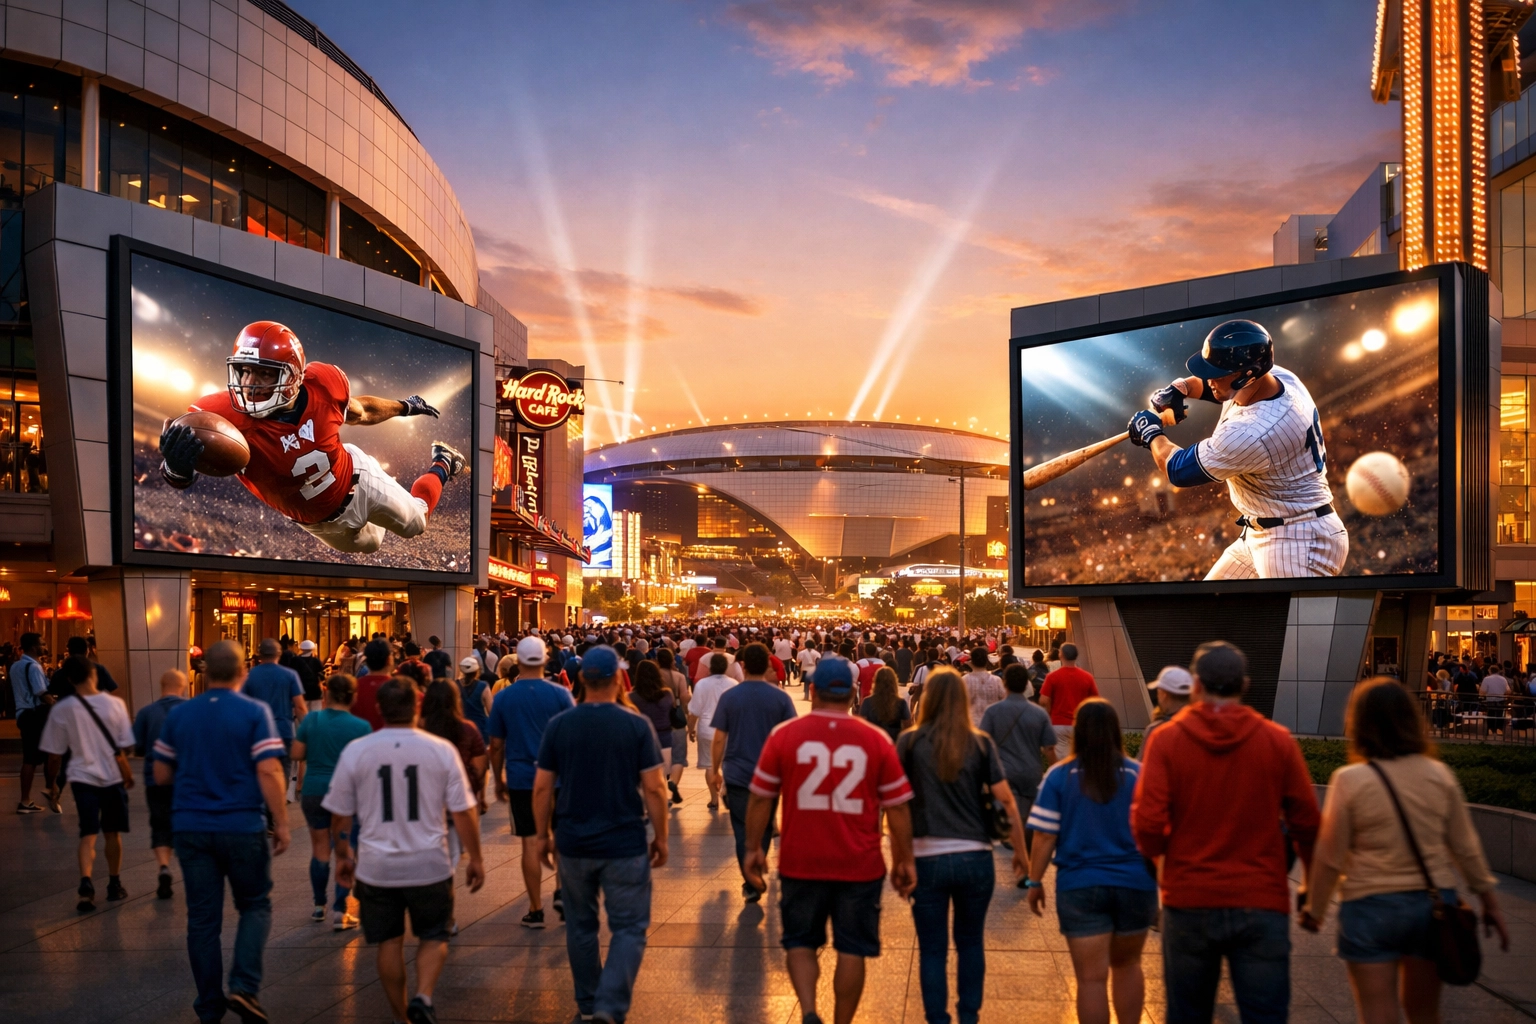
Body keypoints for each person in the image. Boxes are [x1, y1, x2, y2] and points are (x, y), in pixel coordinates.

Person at [1300, 678, 1510, 1024]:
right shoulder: (1439, 775)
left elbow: (1329, 854)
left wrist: (1315, 908)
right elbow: (1466, 848)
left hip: (1369, 906)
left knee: (1377, 1012)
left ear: (1359, 723)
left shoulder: (1350, 780)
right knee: (1423, 1012)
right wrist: (1490, 904)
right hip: (1430, 908)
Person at [1131, 640, 1320, 1024]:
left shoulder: (1165, 741)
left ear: (1196, 685)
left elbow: (1146, 823)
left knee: (1187, 1014)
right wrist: (1310, 885)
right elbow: (1308, 822)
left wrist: (1165, 862)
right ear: (1245, 685)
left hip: (1188, 901)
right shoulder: (1277, 741)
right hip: (1261, 902)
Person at [157, 320, 464, 555]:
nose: (250, 384)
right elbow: (182, 472)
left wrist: (404, 406)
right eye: (245, 371)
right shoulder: (219, 415)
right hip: (320, 525)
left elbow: (363, 411)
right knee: (372, 544)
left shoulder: (323, 386)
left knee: (416, 524)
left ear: (294, 375)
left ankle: (442, 462)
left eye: (265, 373)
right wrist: (177, 468)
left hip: (357, 479)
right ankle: (387, 503)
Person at [743, 657, 917, 1024]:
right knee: (852, 949)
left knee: (800, 942)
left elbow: (760, 796)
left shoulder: (785, 735)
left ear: (812, 690)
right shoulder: (876, 740)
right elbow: (899, 808)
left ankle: (808, 1009)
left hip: (800, 860)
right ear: (854, 693)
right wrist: (904, 859)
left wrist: (753, 848)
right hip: (860, 863)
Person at [1130, 317, 1348, 579]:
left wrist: (1151, 432)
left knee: (1290, 622)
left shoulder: (1253, 432)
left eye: (1217, 374)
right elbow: (1217, 391)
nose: (1208, 378)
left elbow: (1178, 470)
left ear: (1246, 376)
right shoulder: (1277, 377)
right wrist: (1182, 388)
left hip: (1298, 540)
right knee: (1204, 617)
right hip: (1266, 530)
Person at [327, 677, 485, 1024]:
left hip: (376, 865)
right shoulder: (440, 750)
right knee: (434, 934)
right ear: (416, 705)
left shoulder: (358, 750)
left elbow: (339, 815)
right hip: (429, 863)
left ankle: (401, 1016)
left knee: (388, 942)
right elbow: (463, 810)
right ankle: (424, 996)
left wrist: (342, 856)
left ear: (380, 709)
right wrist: (475, 857)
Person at [153, 640, 290, 1024]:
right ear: (242, 672)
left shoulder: (180, 715)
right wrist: (280, 822)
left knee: (202, 919)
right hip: (242, 825)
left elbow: (161, 773)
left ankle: (209, 1005)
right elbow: (268, 770)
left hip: (191, 827)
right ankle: (244, 987)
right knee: (255, 905)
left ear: (203, 672)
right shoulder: (253, 712)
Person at [534, 646, 668, 1024]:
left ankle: (589, 1004)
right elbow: (655, 787)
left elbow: (543, 787)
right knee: (628, 927)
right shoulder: (635, 723)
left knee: (580, 926)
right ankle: (610, 1006)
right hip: (624, 842)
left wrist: (544, 834)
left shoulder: (561, 724)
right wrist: (662, 836)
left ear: (579, 680)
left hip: (573, 842)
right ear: (616, 679)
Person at [898, 667, 1027, 1024]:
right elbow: (1007, 801)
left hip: (926, 858)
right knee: (970, 942)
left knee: (933, 949)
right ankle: (969, 1014)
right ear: (963, 699)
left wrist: (900, 858)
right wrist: (1021, 853)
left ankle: (937, 1018)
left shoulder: (909, 742)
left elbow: (895, 806)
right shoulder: (980, 743)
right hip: (975, 858)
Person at [1026, 699, 1158, 1024]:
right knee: (1128, 966)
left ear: (1078, 732)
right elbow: (1157, 832)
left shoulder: (1060, 776)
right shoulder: (1140, 775)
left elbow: (1044, 836)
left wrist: (1034, 881)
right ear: (1116, 731)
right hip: (1135, 884)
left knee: (1090, 979)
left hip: (1080, 886)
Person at [487, 634, 575, 929]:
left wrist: (497, 777)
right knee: (561, 837)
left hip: (522, 779)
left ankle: (536, 910)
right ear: (546, 658)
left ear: (518, 661)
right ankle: (563, 893)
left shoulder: (503, 697)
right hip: (560, 779)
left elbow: (496, 744)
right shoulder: (561, 694)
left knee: (529, 842)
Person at [40, 656, 137, 913]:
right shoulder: (115, 705)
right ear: (94, 675)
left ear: (70, 680)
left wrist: (52, 785)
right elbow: (127, 744)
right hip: (112, 779)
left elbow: (54, 754)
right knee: (112, 833)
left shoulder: (62, 709)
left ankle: (86, 884)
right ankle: (114, 884)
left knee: (88, 834)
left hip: (82, 779)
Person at [709, 641, 797, 902]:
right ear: (769, 665)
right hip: (770, 777)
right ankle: (755, 871)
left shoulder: (731, 696)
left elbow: (719, 738)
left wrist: (714, 770)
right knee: (766, 826)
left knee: (742, 829)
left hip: (737, 774)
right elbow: (791, 737)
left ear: (743, 665)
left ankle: (750, 881)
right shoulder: (780, 698)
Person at [292, 673, 371, 930]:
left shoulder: (312, 720)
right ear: (353, 697)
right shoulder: (361, 727)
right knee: (344, 850)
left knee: (320, 849)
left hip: (314, 790)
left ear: (326, 694)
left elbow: (297, 753)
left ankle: (318, 905)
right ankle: (340, 909)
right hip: (345, 793)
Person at [979, 663, 1056, 852]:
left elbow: (982, 745)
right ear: (1027, 685)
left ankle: (1010, 835)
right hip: (1032, 771)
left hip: (1003, 772)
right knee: (1028, 812)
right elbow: (1049, 748)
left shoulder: (993, 712)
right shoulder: (1039, 713)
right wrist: (1055, 772)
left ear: (1004, 683)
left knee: (1007, 805)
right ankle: (1024, 846)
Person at [133, 669, 189, 900]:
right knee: (186, 823)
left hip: (154, 778)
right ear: (183, 686)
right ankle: (189, 868)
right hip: (186, 778)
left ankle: (163, 866)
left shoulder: (146, 712)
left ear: (161, 686)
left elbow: (137, 747)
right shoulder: (190, 710)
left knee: (159, 824)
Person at [242, 638, 307, 801]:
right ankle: (278, 800)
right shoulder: (290, 675)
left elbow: (243, 705)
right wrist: (307, 730)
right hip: (283, 730)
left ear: (259, 654)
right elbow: (299, 707)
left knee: (259, 768)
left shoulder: (251, 676)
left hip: (258, 732)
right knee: (283, 768)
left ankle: (263, 803)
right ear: (279, 653)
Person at [422, 681, 488, 815]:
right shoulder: (468, 729)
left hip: (427, 798)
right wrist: (476, 791)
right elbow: (479, 768)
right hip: (462, 797)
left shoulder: (420, 729)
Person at [12, 631, 55, 814]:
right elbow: (41, 693)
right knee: (39, 756)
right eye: (42, 644)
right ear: (32, 647)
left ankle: (26, 800)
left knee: (30, 757)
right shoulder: (34, 667)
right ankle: (40, 793)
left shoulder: (15, 666)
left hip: (22, 714)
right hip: (34, 715)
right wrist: (57, 705)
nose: (45, 647)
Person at [689, 652, 737, 811]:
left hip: (706, 728)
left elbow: (694, 710)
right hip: (729, 729)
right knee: (728, 764)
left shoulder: (702, 684)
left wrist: (690, 729)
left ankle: (714, 799)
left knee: (710, 765)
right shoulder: (734, 683)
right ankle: (725, 790)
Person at [1040, 644, 1098, 759]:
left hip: (1058, 723)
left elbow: (1043, 700)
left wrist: (1050, 712)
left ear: (1061, 655)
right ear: (1076, 656)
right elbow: (1095, 701)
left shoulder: (1052, 677)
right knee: (1079, 757)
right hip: (1080, 724)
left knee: (1062, 760)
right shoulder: (1087, 677)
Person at [630, 660, 676, 776]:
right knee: (663, 778)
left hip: (641, 743)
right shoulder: (667, 694)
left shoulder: (631, 697)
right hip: (665, 739)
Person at [657, 647, 690, 804]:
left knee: (660, 753)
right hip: (675, 715)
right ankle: (674, 782)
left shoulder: (654, 676)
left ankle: (662, 784)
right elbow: (684, 697)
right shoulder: (678, 676)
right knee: (678, 755)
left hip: (657, 717)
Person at [857, 666, 911, 742]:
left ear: (875, 682)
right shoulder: (901, 703)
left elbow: (861, 728)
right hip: (894, 745)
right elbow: (908, 728)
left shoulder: (867, 702)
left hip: (873, 743)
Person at [1142, 666, 1193, 744]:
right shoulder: (1203, 725)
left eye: (1158, 690)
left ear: (1164, 694)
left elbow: (1145, 756)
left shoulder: (1157, 731)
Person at [352, 639, 395, 730]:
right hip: (391, 742)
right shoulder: (400, 688)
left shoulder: (353, 687)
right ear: (389, 660)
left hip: (360, 740)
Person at [961, 648, 1005, 726]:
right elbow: (1004, 702)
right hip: (992, 724)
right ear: (986, 661)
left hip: (971, 725)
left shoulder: (964, 680)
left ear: (972, 661)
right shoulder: (996, 680)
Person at [457, 656, 492, 742]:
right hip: (480, 729)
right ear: (477, 671)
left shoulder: (454, 685)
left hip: (460, 729)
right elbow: (491, 710)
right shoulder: (483, 686)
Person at [287, 640, 324, 712]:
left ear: (301, 649)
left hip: (300, 692)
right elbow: (321, 676)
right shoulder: (316, 661)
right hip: (315, 692)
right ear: (312, 649)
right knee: (315, 714)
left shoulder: (295, 660)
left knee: (301, 713)